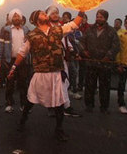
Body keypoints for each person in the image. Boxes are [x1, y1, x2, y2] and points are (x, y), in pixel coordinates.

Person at [8, 10, 84, 141]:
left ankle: (59, 130)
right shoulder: (32, 35)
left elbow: (74, 24)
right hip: (40, 73)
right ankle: (22, 121)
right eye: (42, 14)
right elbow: (22, 52)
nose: (45, 15)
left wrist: (81, 12)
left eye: (45, 13)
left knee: (59, 103)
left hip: (55, 73)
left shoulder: (57, 30)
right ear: (37, 20)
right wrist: (14, 67)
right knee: (31, 100)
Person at [79, 10, 120, 113]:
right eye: (97, 16)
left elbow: (116, 46)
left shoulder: (111, 31)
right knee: (89, 85)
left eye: (101, 17)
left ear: (106, 18)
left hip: (105, 64)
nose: (98, 18)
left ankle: (104, 107)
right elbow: (81, 42)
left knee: (105, 87)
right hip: (91, 63)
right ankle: (89, 105)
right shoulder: (89, 29)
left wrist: (108, 56)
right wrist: (84, 51)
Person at [46, 6, 81, 117]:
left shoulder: (60, 27)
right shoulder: (47, 29)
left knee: (64, 83)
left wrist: (71, 50)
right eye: (52, 14)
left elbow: (66, 38)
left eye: (57, 13)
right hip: (51, 62)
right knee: (54, 85)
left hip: (62, 60)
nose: (55, 15)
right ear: (48, 16)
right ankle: (60, 107)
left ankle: (63, 106)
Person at [0, 8, 30, 114]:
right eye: (14, 16)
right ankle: (9, 104)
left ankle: (23, 104)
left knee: (23, 83)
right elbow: (0, 44)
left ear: (21, 18)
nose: (16, 18)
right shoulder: (6, 29)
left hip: (23, 61)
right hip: (9, 60)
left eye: (18, 16)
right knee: (10, 82)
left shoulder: (26, 30)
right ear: (11, 18)